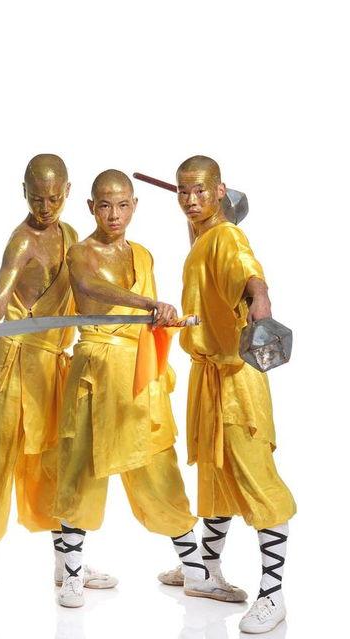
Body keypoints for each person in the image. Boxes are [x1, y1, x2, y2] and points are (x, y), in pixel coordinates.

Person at [55, 169, 246, 608]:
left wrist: (165, 319)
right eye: (105, 205)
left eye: (123, 205)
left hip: (140, 378)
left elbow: (158, 314)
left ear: (135, 206)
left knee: (161, 471)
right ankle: (71, 576)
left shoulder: (143, 255)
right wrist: (148, 304)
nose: (114, 214)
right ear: (91, 207)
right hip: (94, 375)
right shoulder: (80, 253)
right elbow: (89, 286)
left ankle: (196, 573)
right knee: (80, 470)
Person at [0, 154, 115, 607]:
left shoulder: (71, 235)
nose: (45, 207)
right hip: (14, 364)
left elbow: (87, 292)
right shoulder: (22, 241)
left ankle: (67, 565)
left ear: (69, 192)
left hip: (54, 365)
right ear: (24, 192)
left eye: (54, 198)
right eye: (37, 198)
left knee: (61, 460)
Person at [158, 156, 296, 634]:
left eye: (200, 190)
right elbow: (206, 251)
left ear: (221, 190)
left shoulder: (226, 237)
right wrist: (200, 216)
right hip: (208, 375)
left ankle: (273, 594)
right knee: (215, 474)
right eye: (182, 191)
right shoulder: (204, 237)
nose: (189, 199)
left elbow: (246, 268)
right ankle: (207, 569)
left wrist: (261, 298)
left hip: (238, 380)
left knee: (257, 481)